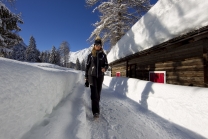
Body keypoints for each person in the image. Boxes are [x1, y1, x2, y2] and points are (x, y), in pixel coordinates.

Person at [85, 36, 109, 118]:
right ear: (94, 45)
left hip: (100, 76)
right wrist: (86, 78)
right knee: (94, 93)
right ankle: (95, 111)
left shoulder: (103, 55)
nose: (98, 46)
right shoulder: (90, 55)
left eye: (99, 45)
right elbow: (87, 67)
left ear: (101, 46)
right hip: (92, 76)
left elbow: (107, 65)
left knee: (98, 93)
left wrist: (104, 68)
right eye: (96, 44)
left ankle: (95, 104)